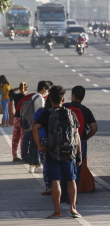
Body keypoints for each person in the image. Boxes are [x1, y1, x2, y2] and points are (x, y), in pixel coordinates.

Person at [33, 85, 82, 219]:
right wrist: (79, 153)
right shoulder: (70, 113)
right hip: (69, 153)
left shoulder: (47, 114)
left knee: (56, 181)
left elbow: (35, 128)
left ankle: (57, 211)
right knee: (71, 180)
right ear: (63, 99)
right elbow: (76, 134)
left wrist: (39, 145)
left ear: (50, 99)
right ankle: (73, 208)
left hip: (52, 152)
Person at [63, 85, 98, 186]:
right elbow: (94, 128)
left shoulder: (65, 107)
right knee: (77, 168)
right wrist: (86, 137)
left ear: (72, 95)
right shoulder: (85, 110)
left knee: (65, 166)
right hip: (80, 141)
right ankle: (75, 192)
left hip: (65, 142)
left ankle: (65, 191)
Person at [22, 80, 51, 173]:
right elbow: (40, 113)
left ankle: (32, 165)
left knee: (33, 146)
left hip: (30, 124)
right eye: (47, 90)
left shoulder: (33, 96)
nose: (48, 92)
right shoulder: (40, 98)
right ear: (43, 89)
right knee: (36, 146)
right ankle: (37, 165)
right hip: (37, 125)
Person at [33, 98, 53, 195]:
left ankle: (48, 187)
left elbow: (34, 126)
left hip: (42, 139)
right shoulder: (60, 112)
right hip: (55, 141)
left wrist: (38, 144)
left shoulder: (40, 112)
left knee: (45, 164)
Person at [10, 82, 28, 161]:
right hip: (23, 119)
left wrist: (18, 88)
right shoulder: (26, 97)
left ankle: (14, 156)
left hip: (16, 119)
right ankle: (23, 156)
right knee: (23, 138)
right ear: (26, 88)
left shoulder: (16, 96)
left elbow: (10, 91)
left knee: (15, 138)